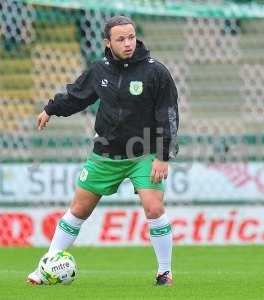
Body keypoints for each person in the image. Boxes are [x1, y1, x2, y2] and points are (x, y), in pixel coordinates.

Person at [28, 15, 179, 286]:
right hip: (106, 154)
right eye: (121, 39)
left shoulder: (156, 72)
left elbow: (167, 115)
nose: (128, 43)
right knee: (78, 210)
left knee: (154, 208)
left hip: (143, 153)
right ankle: (47, 266)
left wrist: (162, 155)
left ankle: (164, 272)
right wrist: (51, 109)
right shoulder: (100, 70)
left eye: (131, 37)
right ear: (107, 42)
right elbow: (77, 96)